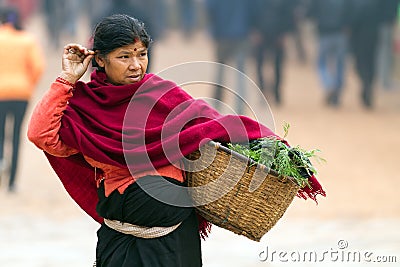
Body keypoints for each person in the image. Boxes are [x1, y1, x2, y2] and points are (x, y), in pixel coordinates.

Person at [27, 14, 325, 266]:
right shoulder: (84, 106)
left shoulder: (162, 94)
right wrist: (67, 79)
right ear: (100, 60)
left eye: (141, 54)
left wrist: (266, 145)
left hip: (173, 246)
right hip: (116, 244)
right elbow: (40, 134)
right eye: (124, 57)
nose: (136, 65)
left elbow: (211, 124)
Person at [0, 6, 44, 192]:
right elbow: (38, 66)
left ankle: (1, 160)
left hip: (0, 92)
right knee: (17, 135)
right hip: (21, 93)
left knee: (1, 133)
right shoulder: (27, 40)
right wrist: (28, 84)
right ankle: (12, 182)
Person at [309, 0, 351, 106]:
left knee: (321, 63)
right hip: (340, 33)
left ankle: (329, 84)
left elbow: (311, 12)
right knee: (340, 64)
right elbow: (351, 11)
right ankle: (337, 87)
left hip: (324, 33)